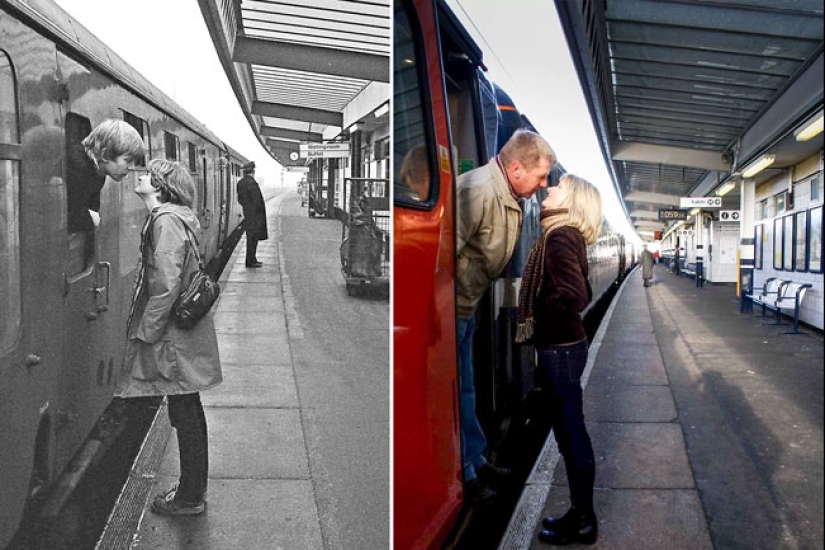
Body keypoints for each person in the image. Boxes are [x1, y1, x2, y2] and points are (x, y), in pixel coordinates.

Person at [116, 159, 222, 516]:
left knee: (185, 411)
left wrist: (146, 334)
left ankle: (190, 497)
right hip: (181, 332)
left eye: (148, 174)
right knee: (187, 409)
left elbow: (165, 285)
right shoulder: (176, 217)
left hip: (175, 335)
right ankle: (192, 488)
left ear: (159, 186)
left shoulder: (165, 221)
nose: (140, 176)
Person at [456, 129, 556, 503]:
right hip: (452, 309)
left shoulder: (508, 193)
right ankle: (466, 472)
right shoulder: (478, 191)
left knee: (466, 388)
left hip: (468, 305)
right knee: (457, 390)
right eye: (541, 176)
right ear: (516, 168)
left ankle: (476, 460)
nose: (544, 185)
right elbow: (441, 256)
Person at [515, 173, 602, 545]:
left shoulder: (560, 236)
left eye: (558, 187)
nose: (548, 189)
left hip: (561, 350)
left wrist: (541, 308)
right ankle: (579, 514)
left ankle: (583, 520)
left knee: (571, 434)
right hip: (566, 347)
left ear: (572, 200)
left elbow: (575, 294)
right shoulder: (563, 234)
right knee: (565, 429)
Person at [67, 118, 144, 232]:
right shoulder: (75, 168)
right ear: (105, 155)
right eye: (127, 160)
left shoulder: (99, 173)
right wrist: (88, 218)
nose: (130, 167)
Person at [237, 161, 268, 267]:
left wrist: (247, 208)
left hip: (248, 214)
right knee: (253, 239)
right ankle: (250, 261)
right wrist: (258, 213)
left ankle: (252, 259)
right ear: (253, 171)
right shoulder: (252, 183)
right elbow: (257, 201)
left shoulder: (240, 183)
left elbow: (240, 199)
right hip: (255, 216)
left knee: (250, 237)